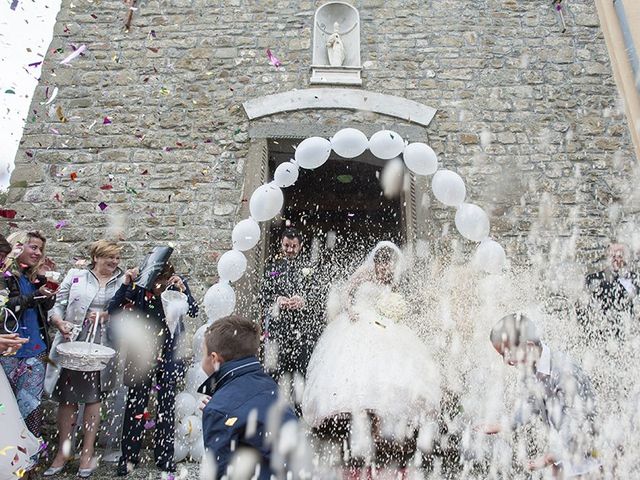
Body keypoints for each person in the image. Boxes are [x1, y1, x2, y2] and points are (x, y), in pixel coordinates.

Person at [302, 241, 440, 471]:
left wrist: (394, 311)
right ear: (377, 262)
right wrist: (350, 310)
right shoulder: (365, 273)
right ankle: (359, 434)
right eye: (385, 265)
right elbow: (347, 290)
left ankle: (382, 432)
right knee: (360, 375)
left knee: (387, 375)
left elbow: (389, 303)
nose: (387, 270)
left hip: (382, 326)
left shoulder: (390, 281)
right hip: (358, 322)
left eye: (390, 266)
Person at [108, 254, 198, 476]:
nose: (159, 286)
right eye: (157, 280)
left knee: (166, 408)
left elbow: (194, 311)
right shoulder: (139, 290)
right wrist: (126, 283)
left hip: (168, 357)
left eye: (164, 281)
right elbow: (113, 308)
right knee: (135, 407)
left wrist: (183, 289)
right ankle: (128, 458)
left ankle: (164, 456)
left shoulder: (175, 291)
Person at [483, 313, 600, 478]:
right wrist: (507, 424)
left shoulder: (564, 371)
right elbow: (529, 403)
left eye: (507, 354)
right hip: (563, 458)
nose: (506, 361)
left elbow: (576, 423)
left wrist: (548, 458)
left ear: (529, 346)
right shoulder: (530, 367)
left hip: (588, 459)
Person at [43, 240, 125, 477]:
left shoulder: (122, 280)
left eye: (117, 258)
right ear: (96, 256)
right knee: (67, 399)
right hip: (73, 343)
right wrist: (60, 323)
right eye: (110, 257)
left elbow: (126, 310)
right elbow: (57, 305)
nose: (114, 262)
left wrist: (107, 315)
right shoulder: (76, 275)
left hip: (104, 346)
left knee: (93, 398)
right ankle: (63, 452)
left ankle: (87, 454)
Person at [198, 315, 297, 479]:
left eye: (203, 353)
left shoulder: (219, 410)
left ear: (214, 359)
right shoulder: (270, 386)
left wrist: (218, 412)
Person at [0, 231, 56, 439]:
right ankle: (9, 461)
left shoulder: (31, 277)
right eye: (33, 247)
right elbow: (7, 307)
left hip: (35, 349)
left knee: (31, 406)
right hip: (9, 351)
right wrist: (36, 294)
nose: (38, 252)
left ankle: (29, 461)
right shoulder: (4, 277)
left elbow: (45, 306)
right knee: (7, 410)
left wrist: (45, 285)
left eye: (40, 249)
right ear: (17, 246)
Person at [261, 227, 323, 406]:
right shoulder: (272, 268)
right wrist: (277, 300)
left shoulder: (310, 268)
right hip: (277, 331)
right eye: (286, 245)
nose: (289, 250)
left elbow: (319, 296)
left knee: (300, 373)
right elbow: (263, 295)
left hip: (303, 332)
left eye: (293, 246)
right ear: (281, 244)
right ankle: (275, 411)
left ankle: (298, 412)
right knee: (275, 371)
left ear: (301, 246)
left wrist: (303, 300)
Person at [580, 243, 639, 341]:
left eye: (620, 256)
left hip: (631, 337)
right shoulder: (593, 279)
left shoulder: (636, 280)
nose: (616, 259)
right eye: (612, 256)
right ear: (607, 257)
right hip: (604, 337)